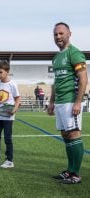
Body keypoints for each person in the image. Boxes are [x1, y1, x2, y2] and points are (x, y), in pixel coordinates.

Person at [48, 22, 88, 184]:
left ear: (69, 34)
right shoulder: (56, 57)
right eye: (56, 34)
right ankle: (70, 170)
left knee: (73, 135)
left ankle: (76, 174)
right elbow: (55, 82)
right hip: (60, 103)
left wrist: (78, 102)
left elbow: (83, 79)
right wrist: (51, 102)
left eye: (61, 33)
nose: (58, 37)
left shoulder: (74, 53)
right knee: (66, 135)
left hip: (71, 101)